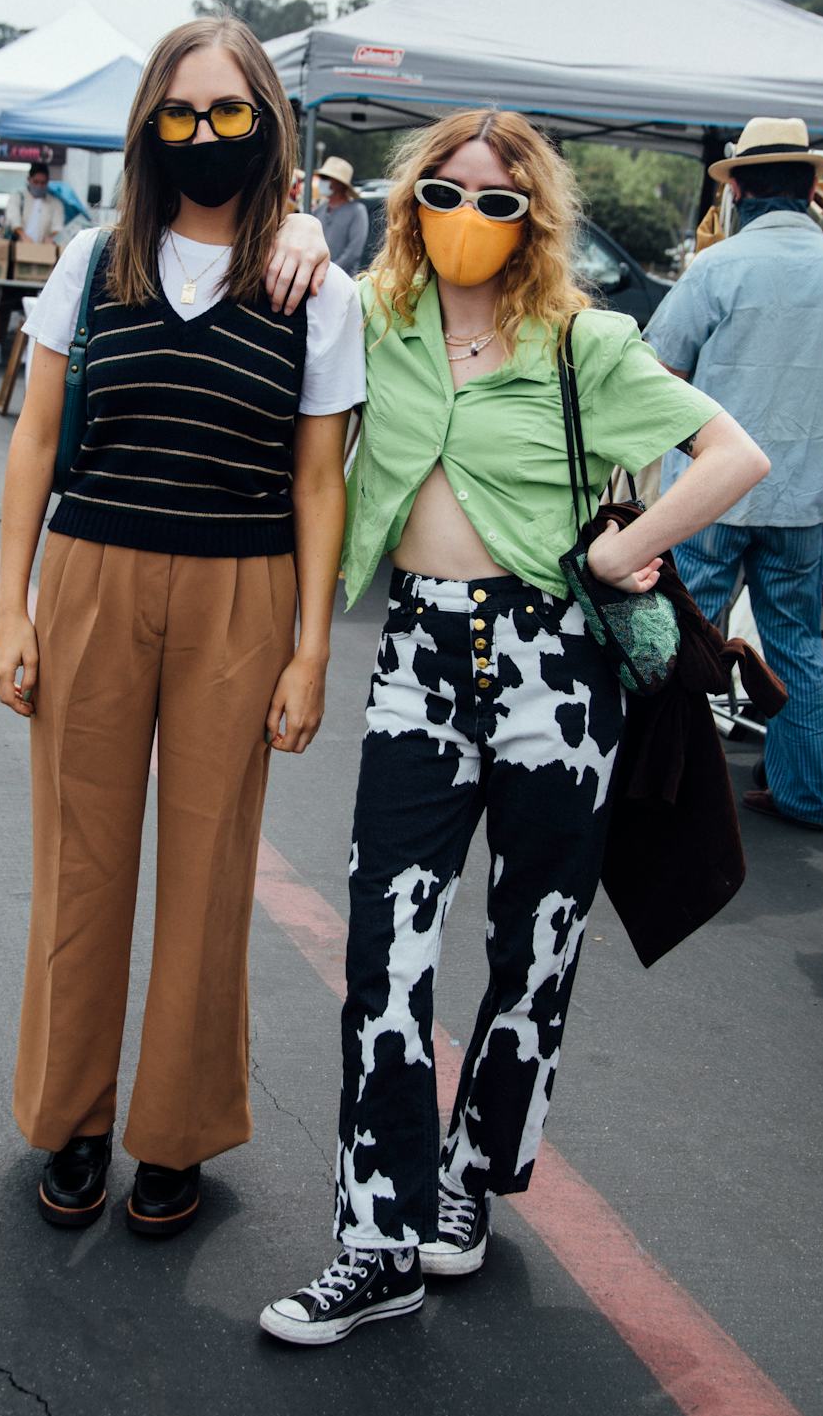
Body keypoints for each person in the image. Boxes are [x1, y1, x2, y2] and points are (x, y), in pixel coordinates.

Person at [260, 108, 768, 1346]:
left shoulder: (581, 340)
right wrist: (288, 220)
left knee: (531, 952)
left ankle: (470, 1183)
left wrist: (627, 549)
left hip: (554, 664)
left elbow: (732, 455)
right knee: (385, 946)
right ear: (411, 199)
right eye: (446, 191)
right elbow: (298, 286)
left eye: (497, 200)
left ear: (531, 217)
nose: (468, 217)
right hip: (419, 657)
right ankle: (374, 1241)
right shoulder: (377, 318)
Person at [0, 15, 356, 1241]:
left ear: (268, 121)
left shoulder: (318, 286)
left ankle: (177, 1133)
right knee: (81, 866)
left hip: (240, 598)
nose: (205, 134)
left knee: (208, 877)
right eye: (181, 113)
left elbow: (320, 481)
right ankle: (74, 1116)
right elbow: (36, 441)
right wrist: (11, 606)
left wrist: (311, 650)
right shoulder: (96, 261)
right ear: (151, 125)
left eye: (229, 112)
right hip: (90, 578)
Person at [644, 116, 823, 831]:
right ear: (812, 187)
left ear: (739, 187)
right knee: (796, 646)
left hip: (711, 493)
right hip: (803, 490)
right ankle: (803, 792)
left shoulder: (718, 267)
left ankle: (655, 787)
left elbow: (663, 369)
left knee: (680, 636)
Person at [0, 161, 64, 367]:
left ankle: (28, 350)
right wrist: (24, 238)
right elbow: (14, 221)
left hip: (41, 259)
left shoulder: (54, 203)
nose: (40, 186)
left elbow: (57, 228)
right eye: (36, 182)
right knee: (4, 300)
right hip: (17, 254)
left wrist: (47, 242)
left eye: (43, 182)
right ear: (29, 180)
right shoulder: (18, 197)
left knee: (39, 306)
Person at [314, 155, 369, 277]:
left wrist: (328, 271)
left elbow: (353, 252)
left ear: (339, 183)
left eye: (326, 178)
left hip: (344, 280)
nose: (322, 181)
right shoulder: (319, 209)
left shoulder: (357, 211)